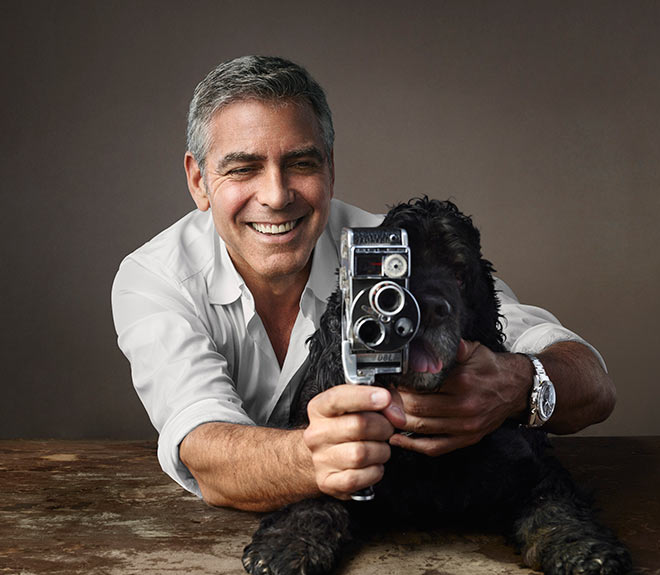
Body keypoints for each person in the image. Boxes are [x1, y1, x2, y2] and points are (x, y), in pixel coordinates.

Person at [111, 56, 615, 512]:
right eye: (243, 168)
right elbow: (202, 450)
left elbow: (592, 383)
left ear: (330, 167)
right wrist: (318, 459)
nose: (276, 195)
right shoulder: (155, 278)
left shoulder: (398, 248)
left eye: (301, 164)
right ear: (199, 181)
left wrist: (517, 384)